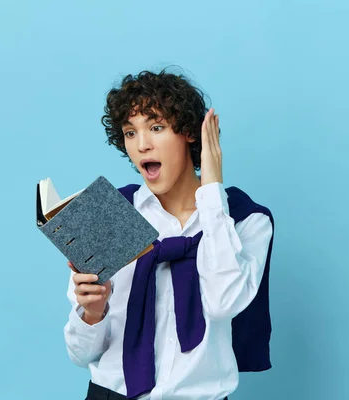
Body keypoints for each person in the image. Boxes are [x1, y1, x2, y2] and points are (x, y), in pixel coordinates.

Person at [63, 69, 275, 400]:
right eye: (130, 133)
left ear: (190, 133)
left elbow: (224, 304)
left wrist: (212, 189)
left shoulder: (245, 219)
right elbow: (79, 355)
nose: (142, 144)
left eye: (156, 127)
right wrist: (92, 312)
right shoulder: (112, 212)